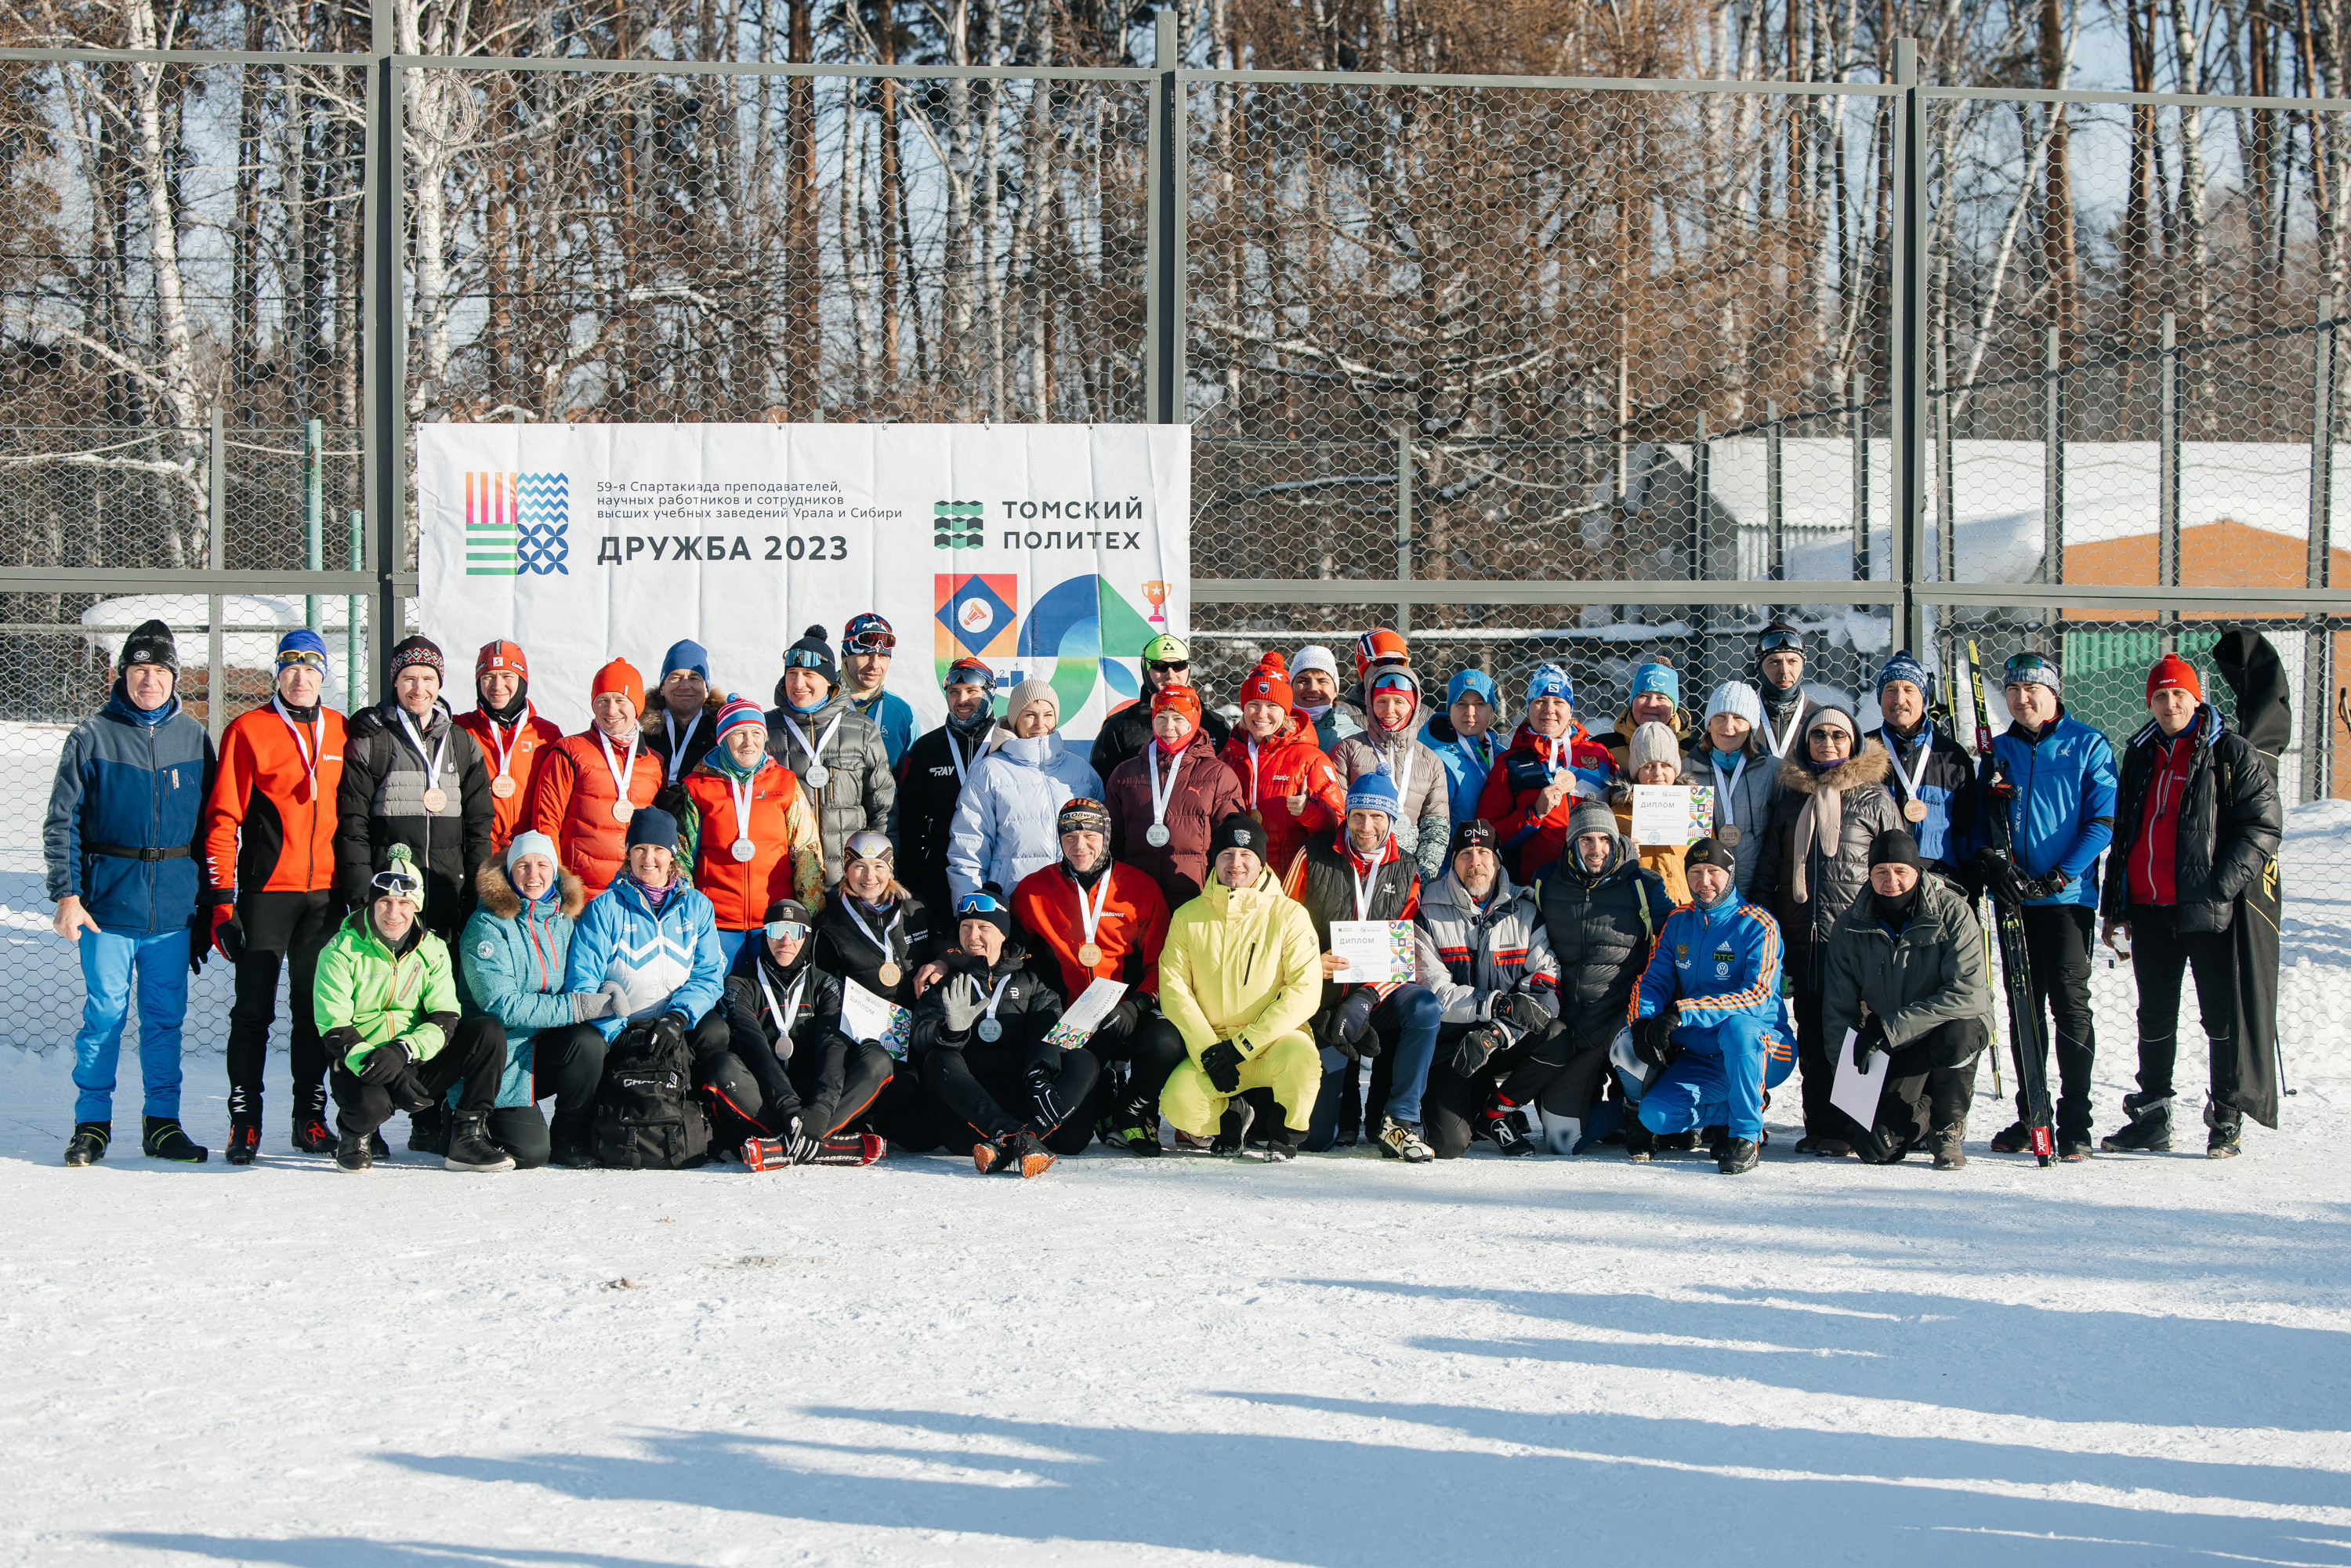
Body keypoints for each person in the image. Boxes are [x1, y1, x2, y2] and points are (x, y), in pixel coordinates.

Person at [45, 618, 216, 1166]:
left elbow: (214, 826)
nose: (150, 680)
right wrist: (67, 893)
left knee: (165, 1020)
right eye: (140, 669)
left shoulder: (193, 737)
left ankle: (162, 1123)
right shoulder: (91, 736)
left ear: (174, 677)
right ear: (123, 675)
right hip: (107, 908)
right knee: (104, 1017)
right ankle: (91, 1124)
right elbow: (61, 821)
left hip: (172, 910)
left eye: (159, 670)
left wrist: (210, 904)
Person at [2098, 654, 2281, 1158]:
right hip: (2149, 907)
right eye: (2160, 695)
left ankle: (2226, 1115)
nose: (2169, 703)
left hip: (2207, 912)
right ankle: (2152, 1116)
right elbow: (2125, 832)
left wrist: (2220, 887)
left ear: (2196, 697)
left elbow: (2263, 827)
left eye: (2178, 693)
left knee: (2219, 1018)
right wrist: (2115, 903)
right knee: (2154, 1015)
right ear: (2150, 702)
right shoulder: (2140, 753)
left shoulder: (2232, 753)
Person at [202, 628, 350, 1162]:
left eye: (311, 667)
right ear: (277, 672)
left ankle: (309, 1118)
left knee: (316, 1012)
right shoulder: (248, 729)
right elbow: (222, 819)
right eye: (290, 666)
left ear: (324, 675)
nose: (300, 676)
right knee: (252, 1013)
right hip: (266, 894)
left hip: (325, 898)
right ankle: (244, 1119)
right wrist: (222, 901)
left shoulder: (340, 730)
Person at [1973, 650, 2117, 1161]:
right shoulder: (2000, 751)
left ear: (2053, 692)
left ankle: (2076, 1120)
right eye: (2013, 690)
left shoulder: (2087, 745)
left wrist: (2060, 875)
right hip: (2015, 900)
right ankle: (2034, 1110)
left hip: (2066, 898)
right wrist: (1995, 863)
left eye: (2032, 688)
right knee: (2023, 1007)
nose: (2022, 697)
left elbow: (2102, 821)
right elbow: (1979, 823)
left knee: (2070, 1006)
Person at [1752, 700, 1902, 1155]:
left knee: (1854, 1032)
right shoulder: (1790, 797)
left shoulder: (1874, 798)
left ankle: (1853, 1127)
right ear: (1806, 744)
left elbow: (1898, 864)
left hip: (1854, 939)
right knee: (1813, 1034)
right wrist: (1763, 925)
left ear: (1854, 742)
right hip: (1801, 936)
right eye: (1819, 736)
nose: (1829, 742)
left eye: (1838, 735)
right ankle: (1818, 1125)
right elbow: (1769, 868)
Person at [317, 845, 512, 1174]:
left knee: (487, 1032)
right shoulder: (340, 950)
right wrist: (388, 1068)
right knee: (369, 1108)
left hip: (414, 1054)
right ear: (373, 903)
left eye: (404, 903)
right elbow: (333, 1026)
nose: (394, 913)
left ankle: (467, 1137)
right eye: (385, 902)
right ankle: (354, 1135)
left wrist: (405, 1051)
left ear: (416, 905)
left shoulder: (432, 948)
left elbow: (445, 1015)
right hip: (365, 1059)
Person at [555, 806, 752, 1126]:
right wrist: (617, 1032)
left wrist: (678, 1017)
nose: (649, 858)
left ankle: (703, 1120)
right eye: (640, 849)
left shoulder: (697, 905)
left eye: (659, 849)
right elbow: (582, 980)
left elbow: (709, 974)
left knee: (714, 1031)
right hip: (621, 1024)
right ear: (628, 854)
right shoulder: (604, 907)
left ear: (673, 855)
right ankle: (575, 1128)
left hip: (675, 1020)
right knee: (583, 1043)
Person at [1012, 798, 1186, 1157]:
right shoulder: (1032, 890)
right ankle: (1104, 1092)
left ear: (1106, 836)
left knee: (1167, 1040)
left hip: (1121, 1014)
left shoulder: (1139, 887)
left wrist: (1137, 1005)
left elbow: (1161, 964)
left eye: (1090, 835)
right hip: (1068, 1022)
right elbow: (1012, 956)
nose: (1080, 846)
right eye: (1070, 836)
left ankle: (1132, 1111)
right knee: (1069, 1141)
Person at [1284, 770, 1440, 1161]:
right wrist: (1307, 962)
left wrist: (1369, 996)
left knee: (1425, 1007)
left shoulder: (1407, 869)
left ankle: (1400, 1120)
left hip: (1376, 993)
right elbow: (1282, 924)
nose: (1366, 826)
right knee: (1319, 1137)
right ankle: (1343, 1105)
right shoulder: (1314, 854)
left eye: (1377, 817)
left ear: (1391, 821)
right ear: (1347, 816)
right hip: (1321, 994)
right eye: (1358, 816)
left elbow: (1404, 952)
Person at [1617, 837, 1795, 1174]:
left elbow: (1757, 997)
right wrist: (1643, 1021)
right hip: (1703, 1052)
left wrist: (1683, 1012)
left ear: (1730, 874)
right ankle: (1741, 1105)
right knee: (1655, 1116)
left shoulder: (1759, 924)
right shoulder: (1679, 922)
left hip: (1765, 1047)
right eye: (1695, 872)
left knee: (1739, 1029)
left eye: (1714, 871)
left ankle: (1746, 1134)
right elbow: (1653, 980)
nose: (1705, 882)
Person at [1823, 829, 1995, 1170]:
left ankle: (1948, 1129)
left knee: (1960, 1035)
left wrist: (1889, 1028)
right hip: (1896, 1044)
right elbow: (1838, 1011)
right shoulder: (1849, 926)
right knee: (1879, 1148)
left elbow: (1968, 994)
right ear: (1868, 874)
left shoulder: (1954, 913)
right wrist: (1851, 1091)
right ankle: (1923, 1115)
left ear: (1918, 871)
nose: (1891, 881)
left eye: (1901, 871)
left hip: (1945, 1028)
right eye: (1880, 872)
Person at [1157, 813, 1324, 1161]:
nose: (1236, 864)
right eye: (1227, 854)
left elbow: (1304, 991)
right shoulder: (1188, 916)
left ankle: (1285, 1134)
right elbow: (1174, 990)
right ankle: (1230, 1117)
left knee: (1302, 1060)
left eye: (1247, 855)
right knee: (1179, 1105)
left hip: (1272, 1042)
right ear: (1214, 861)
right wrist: (1210, 1051)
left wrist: (1243, 1045)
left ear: (1261, 862)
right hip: (1214, 1045)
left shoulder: (1289, 915)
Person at [451, 831, 623, 1168]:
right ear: (509, 872)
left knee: (587, 1042)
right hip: (500, 1057)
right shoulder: (486, 924)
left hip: (541, 1048)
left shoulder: (563, 920)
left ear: (555, 871)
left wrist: (607, 987)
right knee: (529, 1154)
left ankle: (568, 1136)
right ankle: (464, 1119)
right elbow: (502, 1003)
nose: (534, 875)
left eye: (543, 864)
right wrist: (576, 1007)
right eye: (523, 865)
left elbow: (580, 971)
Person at [908, 891, 1093, 1177]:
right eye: (966, 927)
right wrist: (950, 1032)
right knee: (938, 1058)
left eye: (984, 927)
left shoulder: (1031, 981)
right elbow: (920, 1034)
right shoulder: (945, 978)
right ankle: (1011, 1136)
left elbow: (1049, 1028)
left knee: (1084, 1059)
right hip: (971, 1117)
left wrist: (1039, 1074)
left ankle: (1022, 1139)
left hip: (1024, 1100)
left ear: (1003, 934)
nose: (973, 936)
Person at [1411, 820, 1564, 1160]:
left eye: (1484, 853)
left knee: (1557, 1035)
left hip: (1502, 1038)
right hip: (1451, 1043)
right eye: (1466, 853)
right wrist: (1496, 1006)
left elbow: (1545, 983)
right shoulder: (1427, 911)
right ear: (1453, 861)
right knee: (1448, 1147)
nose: (1475, 862)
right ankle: (1467, 1104)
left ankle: (1496, 1112)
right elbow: (1435, 991)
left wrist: (1498, 1032)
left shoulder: (1525, 910)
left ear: (1497, 861)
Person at [1531, 803, 1675, 1156]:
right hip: (1570, 1023)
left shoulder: (1643, 884)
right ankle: (1624, 1116)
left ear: (1616, 841)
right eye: (1586, 840)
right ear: (1572, 844)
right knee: (1560, 1141)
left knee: (1633, 1054)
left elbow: (1678, 940)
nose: (1597, 849)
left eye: (1604, 840)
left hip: (1621, 1017)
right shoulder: (1546, 881)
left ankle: (1646, 1114)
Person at [335, 636, 494, 942]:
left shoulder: (461, 743)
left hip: (448, 894)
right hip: (390, 900)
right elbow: (352, 825)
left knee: (442, 985)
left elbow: (478, 828)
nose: (419, 689)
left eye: (428, 679)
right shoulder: (372, 741)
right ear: (395, 682)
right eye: (409, 678)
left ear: (439, 684)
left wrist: (475, 894)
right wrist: (360, 898)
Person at [719, 897, 893, 1164]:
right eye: (777, 930)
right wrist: (788, 1107)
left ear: (808, 937)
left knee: (878, 1059)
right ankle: (823, 1145)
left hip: (816, 1099)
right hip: (765, 1098)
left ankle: (789, 1144)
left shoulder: (827, 985)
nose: (785, 941)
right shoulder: (740, 983)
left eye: (796, 932)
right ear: (765, 935)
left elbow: (832, 1048)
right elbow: (755, 1049)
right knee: (722, 1066)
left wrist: (821, 1110)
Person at [810, 832, 942, 1149]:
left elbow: (945, 945)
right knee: (881, 1068)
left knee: (921, 1138)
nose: (870, 877)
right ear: (845, 869)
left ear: (891, 868)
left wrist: (942, 962)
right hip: (861, 1038)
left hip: (913, 1032)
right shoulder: (829, 923)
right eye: (859, 867)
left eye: (879, 866)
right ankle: (817, 1133)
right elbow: (821, 988)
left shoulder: (915, 909)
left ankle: (871, 1121)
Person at [676, 694, 824, 967]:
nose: (749, 742)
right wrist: (689, 917)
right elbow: (682, 859)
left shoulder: (785, 782)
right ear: (723, 739)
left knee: (767, 1003)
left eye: (756, 733)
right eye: (738, 734)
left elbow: (806, 852)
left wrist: (810, 915)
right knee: (719, 999)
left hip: (777, 923)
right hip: (717, 922)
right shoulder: (697, 787)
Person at [946, 678, 1101, 904]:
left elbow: (1103, 843)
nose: (1040, 724)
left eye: (1048, 714)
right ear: (1015, 720)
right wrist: (971, 909)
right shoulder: (989, 771)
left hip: (1074, 905)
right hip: (1013, 903)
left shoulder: (1081, 771)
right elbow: (969, 848)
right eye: (1030, 715)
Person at [765, 625, 894, 888]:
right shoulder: (765, 730)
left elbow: (883, 809)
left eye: (809, 674)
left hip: (848, 882)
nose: (798, 684)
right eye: (792, 674)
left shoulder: (860, 729)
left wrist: (875, 873)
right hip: (782, 879)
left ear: (828, 680)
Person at [527, 658, 665, 899]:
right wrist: (558, 883)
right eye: (603, 700)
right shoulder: (569, 751)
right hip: (581, 896)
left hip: (636, 895)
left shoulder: (654, 762)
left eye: (621, 700)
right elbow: (545, 822)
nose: (611, 710)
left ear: (637, 706)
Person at [1105, 683, 1248, 908]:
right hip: (1136, 900)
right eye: (1161, 718)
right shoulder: (1125, 773)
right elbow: (1111, 841)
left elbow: (1229, 844)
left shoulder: (1218, 775)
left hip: (1196, 899)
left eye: (1179, 719)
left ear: (1193, 721)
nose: (1168, 727)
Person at [1478, 663, 1614, 883]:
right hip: (1533, 889)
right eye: (1540, 701)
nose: (1549, 709)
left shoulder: (1599, 756)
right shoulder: (1510, 763)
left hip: (1596, 886)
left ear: (1570, 709)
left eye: (1559, 702)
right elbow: (1486, 836)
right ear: (1528, 708)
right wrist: (1534, 813)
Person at [1220, 654, 1346, 879]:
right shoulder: (1226, 759)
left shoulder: (1310, 759)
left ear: (1286, 711)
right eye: (1253, 705)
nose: (1261, 714)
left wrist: (1311, 811)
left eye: (1272, 706)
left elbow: (1339, 825)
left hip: (1292, 884)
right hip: (1237, 880)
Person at [893, 657, 998, 921]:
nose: (962, 700)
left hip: (998, 866)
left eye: (972, 691)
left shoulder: (1007, 743)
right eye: (954, 692)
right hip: (940, 868)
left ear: (989, 694)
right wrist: (910, 879)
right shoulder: (927, 749)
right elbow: (908, 818)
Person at [1330, 664, 1451, 881]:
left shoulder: (1430, 762)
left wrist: (1419, 878)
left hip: (1409, 874)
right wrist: (1352, 869)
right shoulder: (1348, 750)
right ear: (1370, 704)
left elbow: (1436, 829)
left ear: (1413, 706)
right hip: (1356, 871)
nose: (1389, 711)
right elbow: (1337, 815)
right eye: (1381, 701)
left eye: (1399, 702)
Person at [1870, 650, 1975, 877]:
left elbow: (1967, 832)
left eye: (1909, 690)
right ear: (1879, 698)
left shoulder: (1952, 757)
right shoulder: (1863, 750)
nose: (1899, 700)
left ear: (1924, 699)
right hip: (1881, 880)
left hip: (1940, 881)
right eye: (1890, 690)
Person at [453, 640, 563, 855]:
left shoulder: (546, 734)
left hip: (531, 853)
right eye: (488, 677)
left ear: (522, 680)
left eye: (507, 676)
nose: (497, 685)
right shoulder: (460, 729)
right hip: (478, 851)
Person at [1090, 633, 1230, 780]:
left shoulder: (1215, 724)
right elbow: (1101, 790)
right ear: (1145, 669)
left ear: (1188, 668)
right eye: (1160, 666)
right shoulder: (1118, 727)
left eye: (1178, 666)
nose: (1170, 675)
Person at [1694, 681, 1780, 897]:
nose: (1728, 726)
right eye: (1720, 717)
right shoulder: (1687, 772)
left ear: (1751, 726)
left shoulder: (1774, 772)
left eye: (1739, 718)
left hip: (1761, 892)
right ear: (1709, 724)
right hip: (1703, 894)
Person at [1611, 720, 1692, 905]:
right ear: (1636, 771)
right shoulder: (1616, 816)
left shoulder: (1693, 811)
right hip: (1636, 909)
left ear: (1676, 769)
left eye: (1665, 765)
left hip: (1686, 909)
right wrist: (1621, 854)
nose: (1658, 773)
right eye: (1648, 766)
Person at [643, 639, 723, 810]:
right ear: (662, 688)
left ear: (707, 690)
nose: (685, 685)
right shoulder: (640, 737)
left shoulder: (723, 737)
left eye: (694, 678)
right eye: (675, 677)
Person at [1421, 668, 1504, 830]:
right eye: (1461, 704)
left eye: (1479, 704)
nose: (1470, 713)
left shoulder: (1502, 755)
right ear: (1449, 710)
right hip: (1456, 854)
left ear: (1492, 710)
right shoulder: (1436, 760)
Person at [840, 613, 916, 769]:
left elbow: (910, 783)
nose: (874, 665)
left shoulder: (902, 713)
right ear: (845, 657)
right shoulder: (822, 703)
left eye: (882, 656)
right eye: (866, 655)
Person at [1593, 660, 1694, 773]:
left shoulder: (1694, 755)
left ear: (1673, 708)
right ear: (1632, 702)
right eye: (1644, 696)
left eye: (1661, 698)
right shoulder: (1601, 748)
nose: (1651, 704)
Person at [1751, 619, 1821, 762]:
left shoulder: (1820, 719)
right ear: (1759, 666)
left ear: (1803, 665)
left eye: (1792, 661)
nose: (1784, 672)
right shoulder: (1740, 720)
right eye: (1774, 662)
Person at [1290, 644, 1364, 752]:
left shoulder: (1356, 739)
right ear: (1291, 687)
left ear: (1335, 691)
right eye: (1303, 681)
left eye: (1322, 681)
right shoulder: (1273, 731)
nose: (1313, 689)